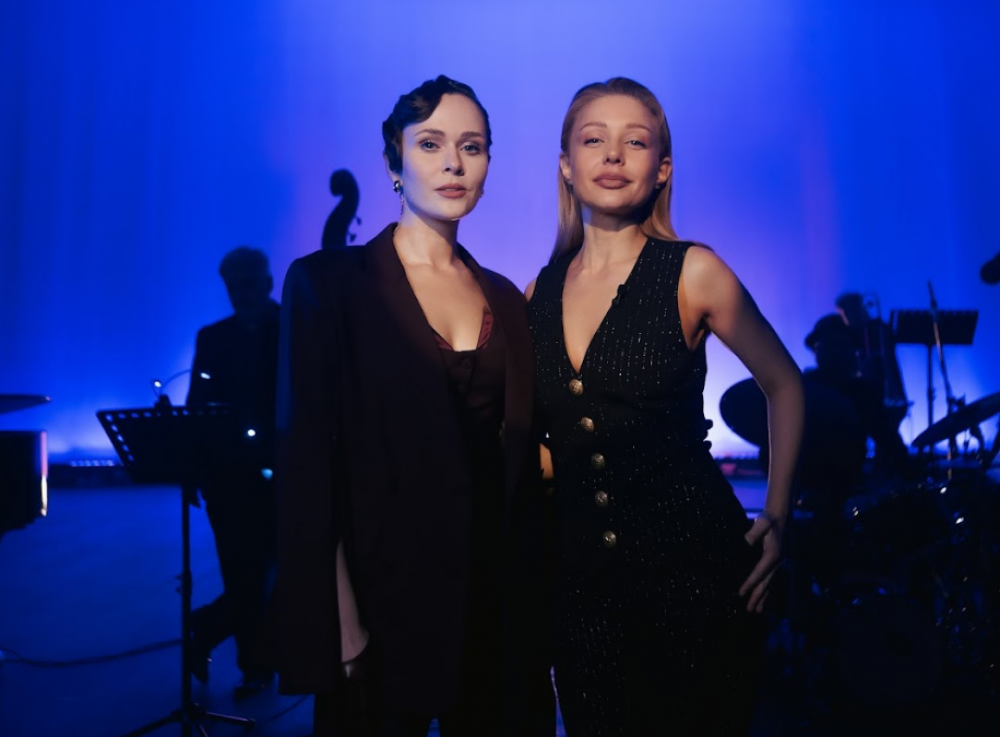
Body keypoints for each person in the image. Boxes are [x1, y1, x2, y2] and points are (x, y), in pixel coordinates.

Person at [275, 75, 554, 737]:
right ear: (393, 161)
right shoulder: (328, 285)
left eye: (472, 146)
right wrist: (342, 619)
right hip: (381, 603)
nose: (454, 162)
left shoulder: (507, 299)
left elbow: (519, 458)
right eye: (430, 144)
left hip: (494, 607)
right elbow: (308, 468)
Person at [526, 78, 805, 736]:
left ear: (663, 169)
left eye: (635, 141)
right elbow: (557, 441)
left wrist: (777, 513)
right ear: (566, 165)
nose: (612, 154)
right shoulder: (536, 292)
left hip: (697, 576)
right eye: (593, 140)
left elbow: (785, 383)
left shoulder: (694, 271)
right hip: (582, 591)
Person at [186, 246, 279, 697]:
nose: (241, 294)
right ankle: (253, 663)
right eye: (234, 287)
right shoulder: (217, 338)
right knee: (247, 573)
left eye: (247, 285)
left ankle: (212, 630)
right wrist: (196, 470)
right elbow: (198, 411)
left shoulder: (294, 328)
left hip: (275, 469)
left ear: (266, 283)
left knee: (256, 574)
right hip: (231, 476)